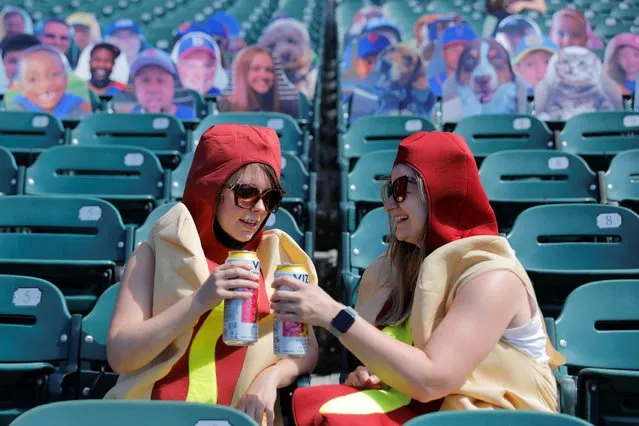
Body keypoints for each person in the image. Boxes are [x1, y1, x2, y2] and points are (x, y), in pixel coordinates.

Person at [285, 132, 564, 425]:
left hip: (501, 419)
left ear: (441, 190)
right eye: (388, 191)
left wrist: (335, 315)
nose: (389, 205)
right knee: (321, 404)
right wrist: (374, 374)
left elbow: (432, 380)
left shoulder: (493, 275)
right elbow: (389, 370)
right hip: (431, 412)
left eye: (401, 189)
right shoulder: (385, 273)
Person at [105, 124, 319, 426]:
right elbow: (121, 355)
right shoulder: (155, 252)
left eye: (270, 198)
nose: (259, 209)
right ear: (211, 190)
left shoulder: (279, 260)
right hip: (155, 417)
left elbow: (305, 350)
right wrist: (198, 301)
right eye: (246, 193)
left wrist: (272, 377)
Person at [11, 44, 90, 118]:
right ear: (21, 86)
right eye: (33, 79)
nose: (45, 84)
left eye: (54, 74)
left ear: (66, 77)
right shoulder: (17, 112)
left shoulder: (78, 107)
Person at [128, 48, 195, 119]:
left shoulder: (195, 119)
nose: (153, 89)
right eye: (145, 80)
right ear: (135, 86)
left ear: (174, 84)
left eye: (160, 80)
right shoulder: (127, 122)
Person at [217, 46, 280, 113]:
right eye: (256, 69)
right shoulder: (221, 108)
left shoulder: (278, 108)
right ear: (243, 72)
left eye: (269, 70)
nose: (264, 75)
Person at [172, 31, 229, 97]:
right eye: (191, 66)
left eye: (208, 65)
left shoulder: (227, 102)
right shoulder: (164, 103)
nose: (200, 73)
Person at [428, 23, 476, 97]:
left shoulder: (485, 85)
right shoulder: (430, 86)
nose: (459, 54)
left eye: (465, 49)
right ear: (443, 53)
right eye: (453, 49)